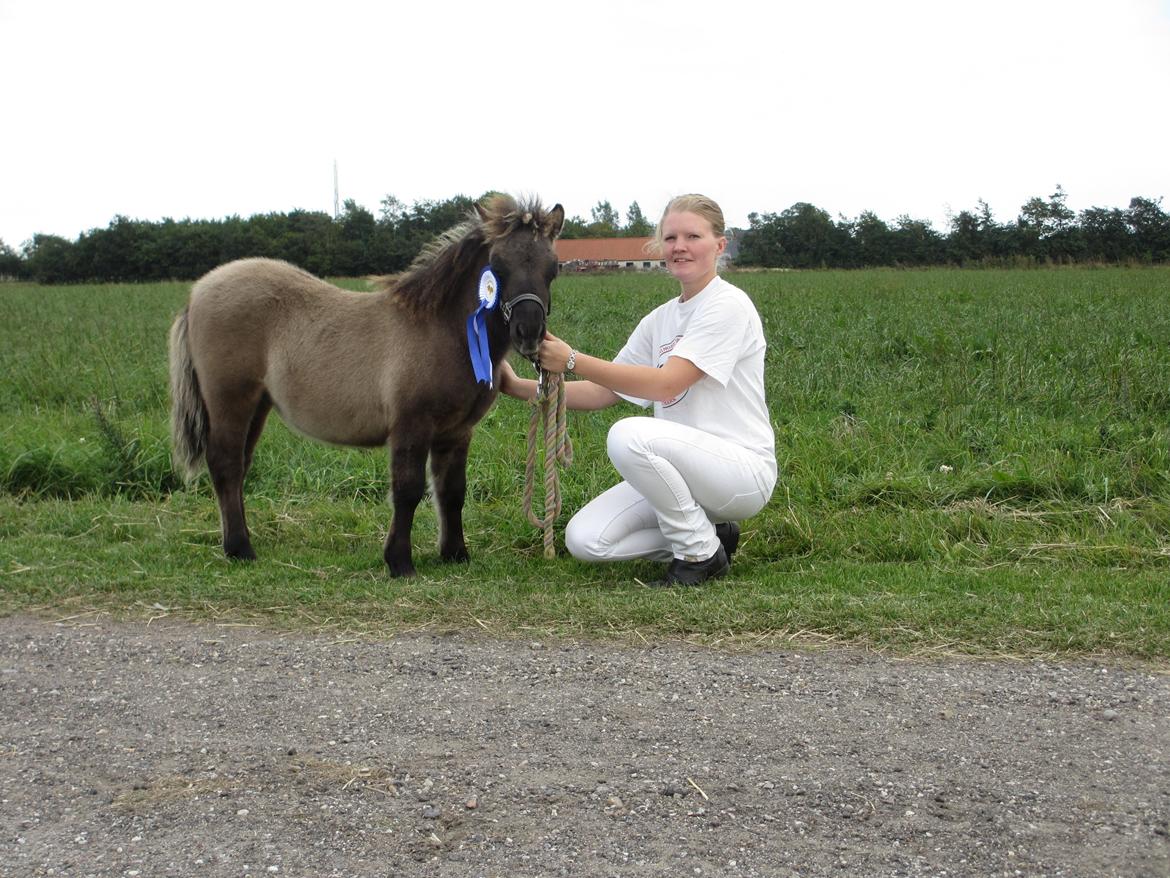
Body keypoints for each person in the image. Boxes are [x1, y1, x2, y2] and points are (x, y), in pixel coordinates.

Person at [498, 194, 776, 586]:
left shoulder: (728, 305)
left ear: (719, 245)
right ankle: (710, 537)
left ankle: (699, 556)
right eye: (671, 237)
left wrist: (572, 358)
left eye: (693, 236)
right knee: (587, 540)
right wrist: (515, 386)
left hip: (739, 473)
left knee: (628, 436)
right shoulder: (659, 320)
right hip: (681, 473)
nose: (680, 246)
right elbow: (600, 392)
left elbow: (667, 384)